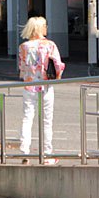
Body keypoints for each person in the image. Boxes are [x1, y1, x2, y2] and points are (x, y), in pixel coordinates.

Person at [17, 16, 65, 164]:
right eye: (45, 25)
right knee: (46, 120)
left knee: (27, 117)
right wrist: (58, 76)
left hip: (29, 85)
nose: (46, 28)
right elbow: (58, 65)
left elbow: (21, 67)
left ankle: (24, 151)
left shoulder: (24, 47)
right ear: (39, 28)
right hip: (45, 86)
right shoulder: (49, 45)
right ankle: (47, 153)